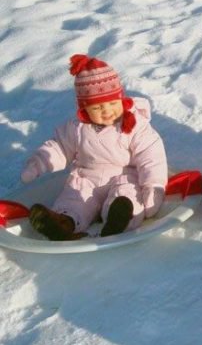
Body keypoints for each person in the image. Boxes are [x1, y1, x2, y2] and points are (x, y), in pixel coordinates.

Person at [20, 54, 168, 240]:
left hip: (124, 176)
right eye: (98, 108)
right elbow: (59, 147)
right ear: (84, 108)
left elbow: (151, 156)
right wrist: (40, 162)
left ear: (121, 99)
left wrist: (153, 185)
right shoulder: (77, 128)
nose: (107, 111)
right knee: (74, 198)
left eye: (113, 103)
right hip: (87, 177)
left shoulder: (134, 125)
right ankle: (62, 222)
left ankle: (119, 219)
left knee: (127, 195)